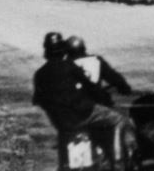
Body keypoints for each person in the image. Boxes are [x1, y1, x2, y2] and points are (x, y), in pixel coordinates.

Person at [32, 32, 132, 160]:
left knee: (64, 133)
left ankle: (64, 164)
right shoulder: (75, 65)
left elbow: (38, 100)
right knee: (119, 119)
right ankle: (118, 160)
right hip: (83, 113)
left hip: (60, 120)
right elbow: (93, 85)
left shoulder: (40, 74)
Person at [67, 35, 133, 108]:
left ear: (67, 51)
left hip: (74, 102)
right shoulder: (97, 60)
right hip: (97, 100)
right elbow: (114, 77)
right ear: (84, 48)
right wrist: (125, 88)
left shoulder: (64, 64)